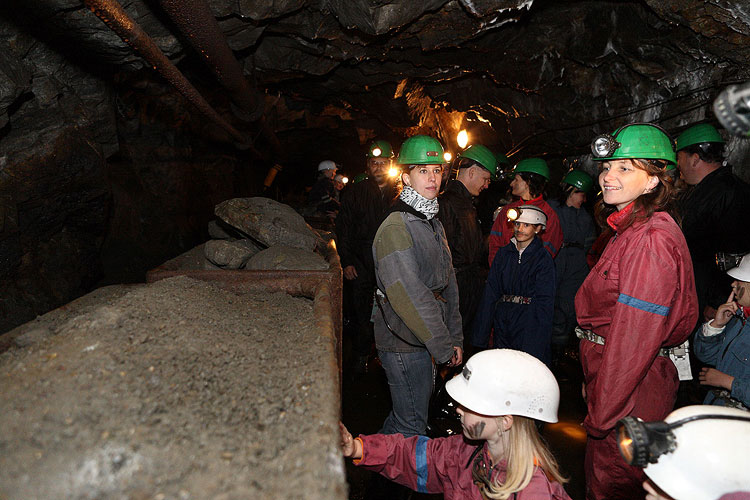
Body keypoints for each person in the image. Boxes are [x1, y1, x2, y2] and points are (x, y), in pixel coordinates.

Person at [576, 123, 698, 499]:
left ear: (652, 183)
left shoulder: (650, 241)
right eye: (607, 166)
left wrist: (602, 413)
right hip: (619, 385)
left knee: (612, 485)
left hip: (630, 397)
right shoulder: (630, 230)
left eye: (625, 168)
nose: (608, 176)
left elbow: (633, 340)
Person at [340, 349, 571, 500]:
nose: (458, 410)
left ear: (505, 421)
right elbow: (416, 457)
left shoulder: (534, 492)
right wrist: (357, 448)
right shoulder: (467, 453)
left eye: (470, 406)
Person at [372, 134, 463, 438]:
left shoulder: (432, 221)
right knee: (411, 424)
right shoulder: (396, 227)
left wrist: (454, 337)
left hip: (424, 337)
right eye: (423, 171)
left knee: (409, 416)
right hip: (403, 340)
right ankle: (383, 480)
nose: (433, 177)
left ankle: (371, 462)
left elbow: (448, 284)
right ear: (405, 176)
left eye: (436, 170)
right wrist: (441, 345)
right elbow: (409, 294)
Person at [675, 123, 750, 322]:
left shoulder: (724, 194)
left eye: (679, 157)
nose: (677, 165)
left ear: (695, 159)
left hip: (711, 300)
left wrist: (717, 301)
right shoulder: (714, 190)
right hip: (704, 294)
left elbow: (734, 252)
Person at [335, 140, 399, 375]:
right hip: (362, 261)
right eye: (374, 163)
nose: (379, 167)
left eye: (384, 163)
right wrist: (347, 260)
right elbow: (344, 228)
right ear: (368, 166)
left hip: (391, 262)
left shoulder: (400, 193)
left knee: (392, 310)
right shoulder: (356, 193)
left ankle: (388, 357)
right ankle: (361, 355)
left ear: (391, 164)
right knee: (362, 311)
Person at [472, 205, 555, 366]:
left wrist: (540, 339)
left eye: (526, 225)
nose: (520, 229)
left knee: (524, 368)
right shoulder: (503, 255)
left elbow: (546, 301)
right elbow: (490, 294)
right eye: (517, 224)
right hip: (504, 319)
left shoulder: (543, 259)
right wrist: (480, 336)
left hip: (529, 321)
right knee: (503, 366)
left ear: (538, 229)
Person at [438, 144, 497, 348]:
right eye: (485, 179)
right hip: (456, 287)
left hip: (468, 284)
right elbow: (442, 253)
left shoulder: (467, 204)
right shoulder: (447, 203)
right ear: (472, 172)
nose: (487, 185)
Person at [548, 170, 596, 364]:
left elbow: (590, 247)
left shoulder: (585, 218)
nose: (583, 200)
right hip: (553, 260)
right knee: (548, 305)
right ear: (570, 190)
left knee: (567, 309)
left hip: (576, 266)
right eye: (581, 194)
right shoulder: (551, 209)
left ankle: (558, 352)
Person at [694, 252, 750, 409]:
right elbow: (706, 355)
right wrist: (716, 326)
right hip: (720, 411)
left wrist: (728, 382)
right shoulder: (740, 319)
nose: (733, 284)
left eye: (740, 280)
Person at [488, 158, 563, 264]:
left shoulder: (548, 216)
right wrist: (497, 272)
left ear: (528, 182)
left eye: (516, 179)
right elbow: (495, 244)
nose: (512, 183)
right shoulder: (507, 211)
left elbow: (547, 254)